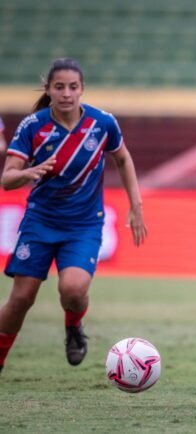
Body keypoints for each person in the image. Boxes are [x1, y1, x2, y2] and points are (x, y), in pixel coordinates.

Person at [0, 58, 147, 374]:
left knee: (73, 289)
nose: (66, 93)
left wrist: (136, 205)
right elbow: (7, 178)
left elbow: (123, 159)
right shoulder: (33, 126)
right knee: (22, 299)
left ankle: (73, 327)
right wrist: (28, 172)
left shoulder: (102, 123)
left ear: (82, 89)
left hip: (84, 225)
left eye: (72, 87)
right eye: (59, 87)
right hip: (40, 223)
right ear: (48, 90)